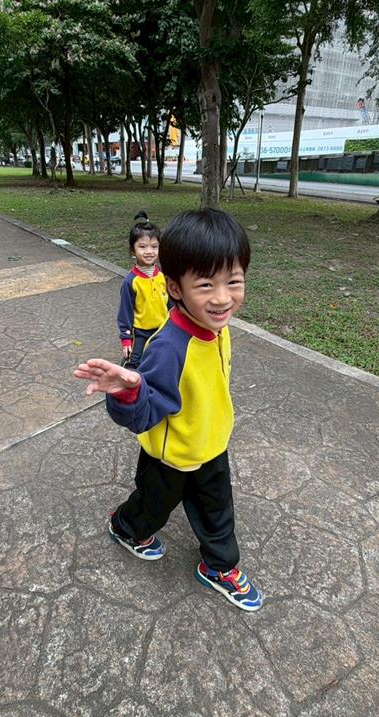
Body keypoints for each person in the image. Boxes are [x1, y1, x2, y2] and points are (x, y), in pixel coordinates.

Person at [74, 208, 263, 612]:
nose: (222, 298)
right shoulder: (168, 347)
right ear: (175, 288)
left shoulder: (217, 327)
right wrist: (129, 393)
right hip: (171, 454)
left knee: (217, 509)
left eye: (233, 281)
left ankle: (219, 565)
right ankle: (125, 527)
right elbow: (144, 414)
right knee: (152, 506)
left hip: (210, 443)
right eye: (206, 285)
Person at [116, 210, 169, 368]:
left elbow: (171, 303)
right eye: (142, 247)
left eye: (154, 247)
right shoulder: (131, 281)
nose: (149, 251)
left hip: (163, 329)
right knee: (134, 363)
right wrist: (126, 339)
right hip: (140, 333)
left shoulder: (163, 276)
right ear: (133, 250)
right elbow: (125, 312)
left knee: (163, 361)